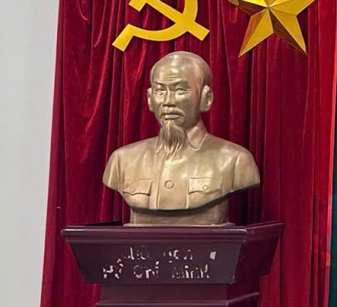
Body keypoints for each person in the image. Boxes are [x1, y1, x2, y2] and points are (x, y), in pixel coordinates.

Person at [101, 50, 259, 225]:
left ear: (205, 98)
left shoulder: (235, 160)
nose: (168, 101)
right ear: (150, 99)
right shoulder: (122, 160)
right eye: (160, 90)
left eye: (180, 90)